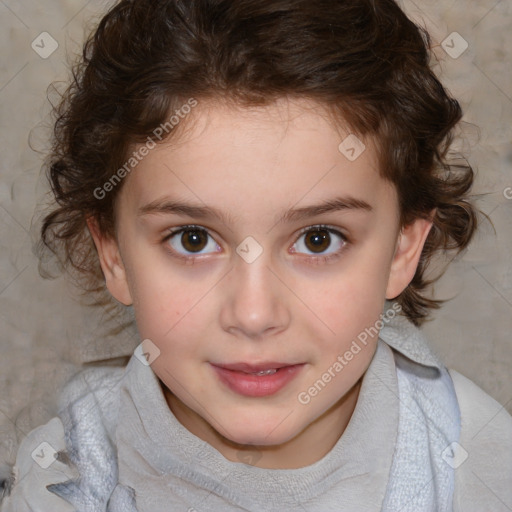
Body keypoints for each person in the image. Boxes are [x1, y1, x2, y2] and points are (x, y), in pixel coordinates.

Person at [1, 0, 511, 510]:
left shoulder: (481, 470)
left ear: (403, 249)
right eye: (193, 240)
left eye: (318, 240)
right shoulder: (61, 476)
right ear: (112, 253)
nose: (253, 314)